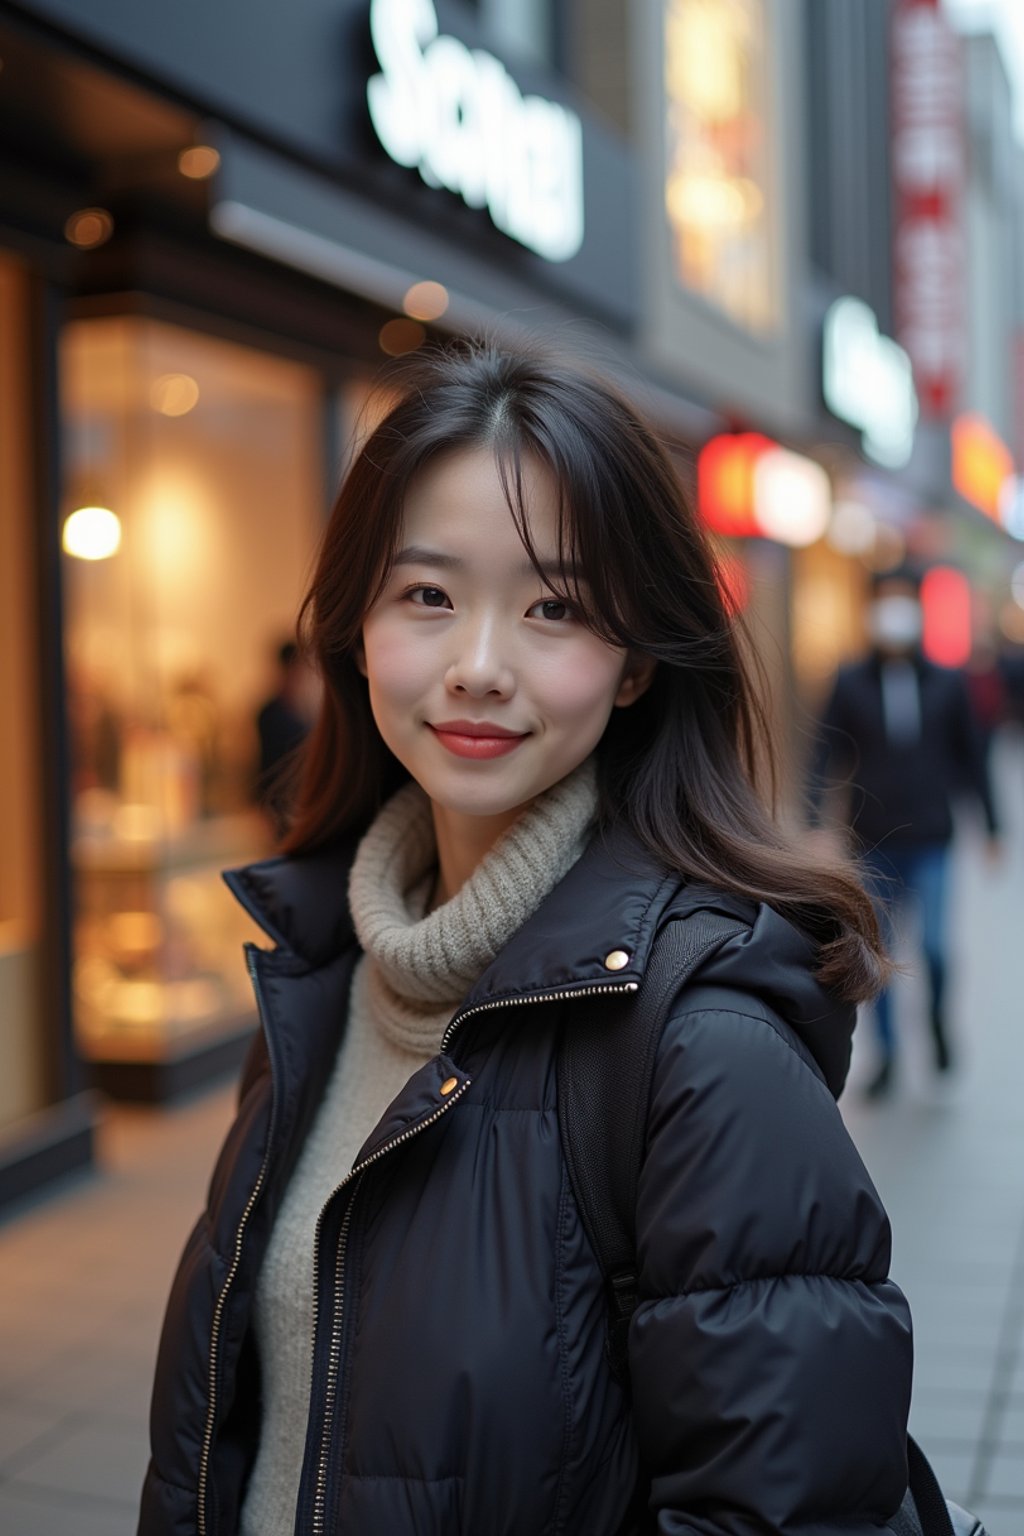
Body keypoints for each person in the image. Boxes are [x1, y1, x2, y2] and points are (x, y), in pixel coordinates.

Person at [139, 342, 913, 1536]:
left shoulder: (702, 1043)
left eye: (554, 607)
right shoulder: (321, 970)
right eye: (429, 596)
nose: (479, 668)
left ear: (637, 662)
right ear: (354, 630)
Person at [812, 566, 1000, 1099]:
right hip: (871, 840)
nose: (893, 613)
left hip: (933, 837)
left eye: (903, 602)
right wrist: (811, 823)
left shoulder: (947, 682)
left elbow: (973, 756)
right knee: (880, 956)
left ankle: (938, 1023)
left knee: (937, 947)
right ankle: (889, 1055)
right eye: (884, 601)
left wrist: (991, 825)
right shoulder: (849, 682)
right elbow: (822, 754)